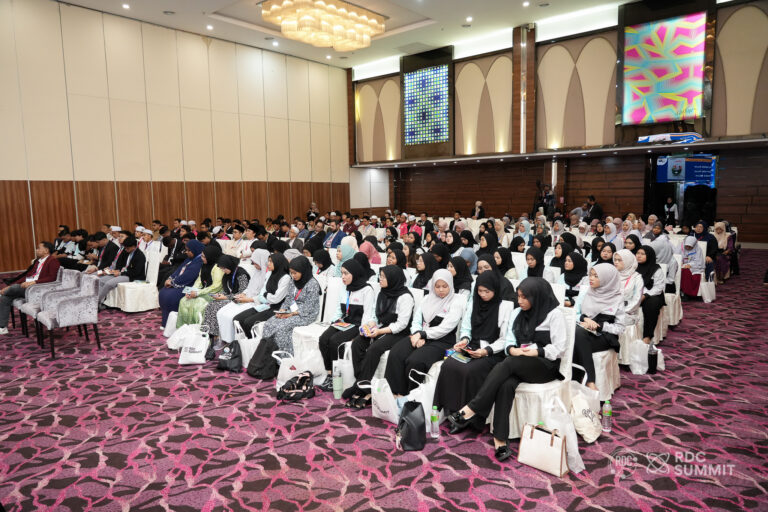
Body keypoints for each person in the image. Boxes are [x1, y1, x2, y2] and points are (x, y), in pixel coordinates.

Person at [446, 277, 564, 461]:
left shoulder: (554, 314)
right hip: (519, 362)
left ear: (537, 297)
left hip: (544, 365)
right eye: (519, 296)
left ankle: (471, 409)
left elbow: (558, 349)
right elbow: (509, 341)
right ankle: (500, 439)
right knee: (506, 384)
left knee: (508, 363)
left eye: (525, 297)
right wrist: (513, 350)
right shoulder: (517, 313)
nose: (520, 301)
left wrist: (532, 352)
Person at [433, 271, 515, 419]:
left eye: (487, 291)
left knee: (469, 371)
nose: (483, 294)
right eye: (480, 291)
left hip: (493, 352)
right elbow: (466, 328)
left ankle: (468, 417)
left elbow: (505, 339)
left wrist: (486, 351)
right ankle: (450, 410)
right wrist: (464, 340)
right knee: (448, 365)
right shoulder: (474, 304)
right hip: (473, 347)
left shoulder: (505, 307)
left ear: (495, 289)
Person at [343, 266, 415, 409]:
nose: (380, 279)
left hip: (398, 333)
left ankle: (363, 390)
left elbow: (401, 324)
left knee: (374, 349)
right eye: (380, 276)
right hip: (381, 328)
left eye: (383, 277)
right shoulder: (382, 292)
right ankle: (362, 383)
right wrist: (368, 326)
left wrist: (379, 332)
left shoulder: (405, 297)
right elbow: (375, 316)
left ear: (393, 278)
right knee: (357, 343)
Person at [385, 269, 465, 396]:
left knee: (415, 361)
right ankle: (394, 393)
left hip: (441, 341)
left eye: (444, 286)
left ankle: (411, 397)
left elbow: (446, 327)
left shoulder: (456, 301)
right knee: (396, 353)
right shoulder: (427, 298)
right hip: (419, 336)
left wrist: (423, 335)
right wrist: (417, 334)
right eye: (437, 286)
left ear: (451, 284)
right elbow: (417, 320)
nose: (441, 290)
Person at [317, 260, 375, 390]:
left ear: (355, 273)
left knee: (335, 341)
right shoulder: (345, 287)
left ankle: (337, 376)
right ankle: (330, 373)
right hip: (344, 322)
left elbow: (367, 314)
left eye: (346, 273)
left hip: (357, 324)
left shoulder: (367, 290)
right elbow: (339, 309)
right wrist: (334, 321)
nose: (342, 276)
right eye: (342, 273)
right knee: (323, 339)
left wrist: (361, 332)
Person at [572, 264, 626, 391]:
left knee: (577, 337)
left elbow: (620, 328)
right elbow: (574, 313)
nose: (591, 278)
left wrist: (599, 326)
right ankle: (585, 381)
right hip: (584, 331)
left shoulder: (617, 298)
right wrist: (585, 319)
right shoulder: (586, 292)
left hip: (605, 337)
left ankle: (584, 380)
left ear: (607, 279)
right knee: (577, 335)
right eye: (590, 275)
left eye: (596, 276)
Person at [259, 256, 321, 354]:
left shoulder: (312, 284)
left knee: (281, 328)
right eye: (291, 273)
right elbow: (289, 297)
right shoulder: (293, 281)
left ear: (303, 270)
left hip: (305, 315)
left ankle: (284, 356)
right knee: (269, 324)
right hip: (291, 311)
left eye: (295, 273)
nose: (293, 275)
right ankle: (267, 355)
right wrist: (282, 310)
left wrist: (290, 314)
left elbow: (309, 306)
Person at [0, 242, 60, 335]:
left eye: (39, 248)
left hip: (38, 288)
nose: (36, 250)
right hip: (28, 286)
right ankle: (2, 327)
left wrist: (34, 282)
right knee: (6, 297)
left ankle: (3, 292)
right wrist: (10, 285)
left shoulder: (52, 261)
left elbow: (52, 278)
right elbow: (27, 276)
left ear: (46, 250)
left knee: (15, 288)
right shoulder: (38, 261)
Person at [214, 248, 269, 344]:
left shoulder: (268, 275)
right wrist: (243, 294)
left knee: (230, 316)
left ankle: (232, 341)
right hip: (246, 298)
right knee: (220, 313)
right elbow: (250, 287)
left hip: (255, 302)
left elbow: (263, 296)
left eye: (255, 263)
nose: (253, 265)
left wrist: (247, 299)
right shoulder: (257, 272)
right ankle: (224, 340)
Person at [231, 253, 291, 335]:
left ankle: (251, 341)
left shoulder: (286, 278)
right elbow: (262, 294)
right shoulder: (270, 274)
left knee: (248, 323)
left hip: (276, 308)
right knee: (237, 319)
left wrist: (266, 295)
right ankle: (242, 341)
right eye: (268, 261)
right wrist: (265, 296)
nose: (268, 264)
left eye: (271, 261)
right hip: (265, 304)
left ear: (278, 262)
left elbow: (276, 299)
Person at [199, 255, 250, 343]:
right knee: (210, 305)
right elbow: (227, 289)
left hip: (240, 300)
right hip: (230, 297)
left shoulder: (241, 275)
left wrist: (226, 297)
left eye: (224, 268)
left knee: (216, 307)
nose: (223, 270)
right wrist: (220, 294)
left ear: (229, 265)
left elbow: (243, 293)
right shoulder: (228, 274)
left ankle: (217, 335)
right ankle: (208, 333)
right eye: (221, 269)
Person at [158, 240, 205, 327]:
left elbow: (189, 276)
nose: (186, 252)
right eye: (186, 250)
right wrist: (170, 279)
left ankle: (175, 324)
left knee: (170, 296)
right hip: (180, 283)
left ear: (195, 250)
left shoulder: (199, 261)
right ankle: (167, 323)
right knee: (163, 292)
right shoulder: (189, 259)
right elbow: (178, 270)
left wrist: (173, 283)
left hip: (191, 286)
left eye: (188, 250)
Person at [176, 244, 224, 327]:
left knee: (198, 304)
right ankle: (185, 328)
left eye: (204, 257)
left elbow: (216, 286)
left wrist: (198, 293)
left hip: (215, 294)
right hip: (203, 291)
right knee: (183, 301)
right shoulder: (205, 264)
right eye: (201, 256)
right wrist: (191, 291)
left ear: (211, 257)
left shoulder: (218, 267)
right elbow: (199, 280)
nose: (202, 258)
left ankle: (198, 330)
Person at [97, 237, 146, 307]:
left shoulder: (140, 256)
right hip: (123, 273)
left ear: (133, 247)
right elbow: (121, 265)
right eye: (125, 248)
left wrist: (120, 273)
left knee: (109, 284)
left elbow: (136, 272)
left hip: (132, 277)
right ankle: (101, 301)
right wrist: (115, 270)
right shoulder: (127, 252)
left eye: (127, 248)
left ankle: (97, 302)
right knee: (101, 280)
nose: (125, 250)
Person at [636, 245, 666, 344]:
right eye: (638, 253)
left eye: (642, 254)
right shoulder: (632, 266)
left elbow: (658, 287)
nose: (639, 256)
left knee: (651, 304)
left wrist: (645, 295)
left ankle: (647, 336)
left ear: (649, 256)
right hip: (635, 293)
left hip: (653, 294)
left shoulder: (656, 269)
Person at [613, 249, 643, 328]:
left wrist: (622, 311)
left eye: (619, 260)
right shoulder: (613, 274)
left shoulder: (637, 278)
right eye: (615, 260)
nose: (616, 262)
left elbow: (637, 300)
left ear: (627, 261)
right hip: (610, 309)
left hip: (627, 312)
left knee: (617, 319)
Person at [679, 235, 705, 300]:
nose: (687, 247)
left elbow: (699, 261)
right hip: (682, 266)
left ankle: (688, 293)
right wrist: (680, 262)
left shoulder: (698, 249)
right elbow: (676, 256)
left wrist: (690, 265)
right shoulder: (680, 247)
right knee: (682, 271)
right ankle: (682, 292)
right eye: (686, 246)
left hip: (694, 267)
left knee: (688, 273)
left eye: (690, 246)